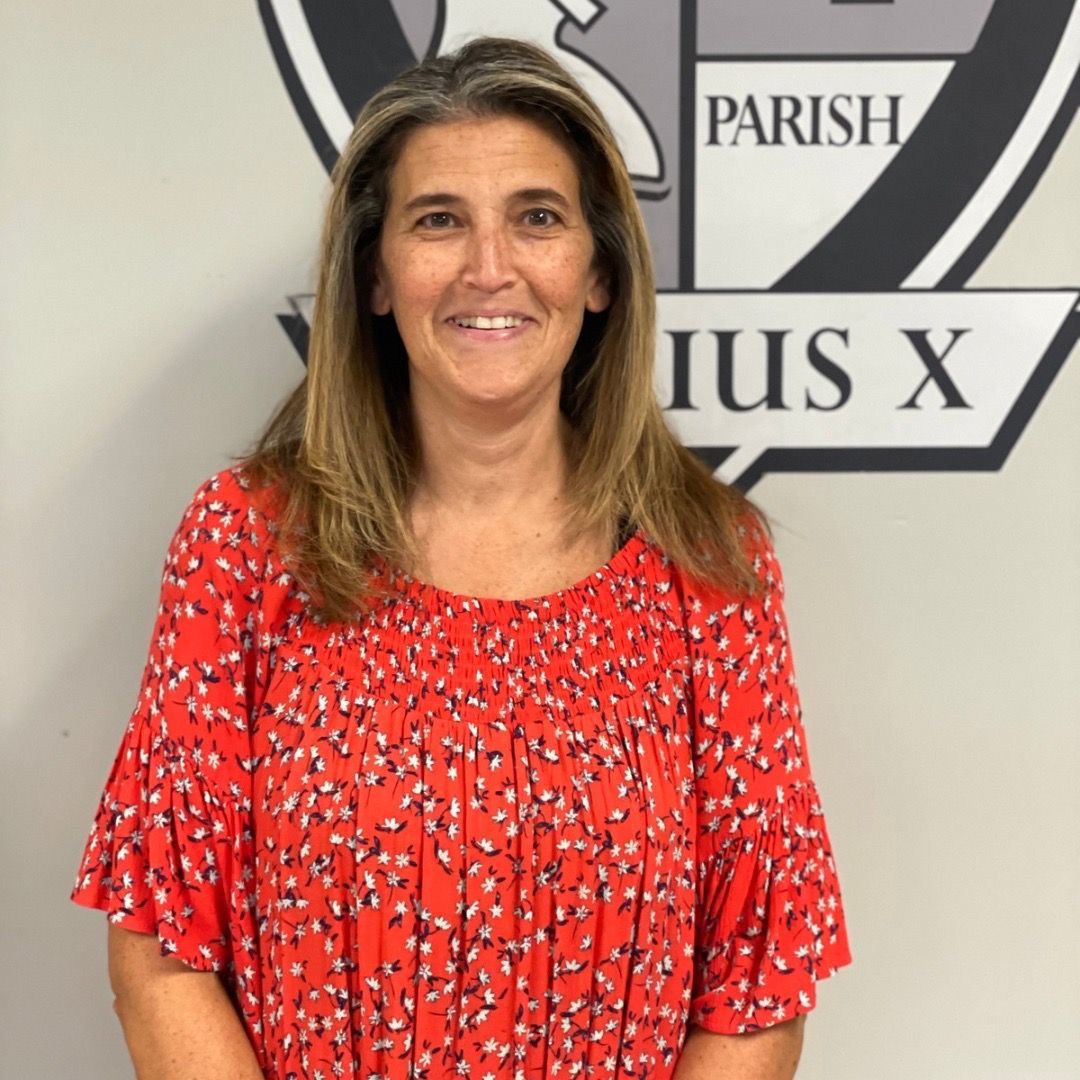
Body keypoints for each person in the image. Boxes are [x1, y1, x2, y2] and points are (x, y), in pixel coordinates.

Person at [71, 36, 852, 1080]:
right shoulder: (249, 542)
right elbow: (162, 951)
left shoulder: (708, 565)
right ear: (379, 278)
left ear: (601, 272)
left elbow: (757, 981)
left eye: (537, 217)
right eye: (439, 220)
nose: (491, 267)